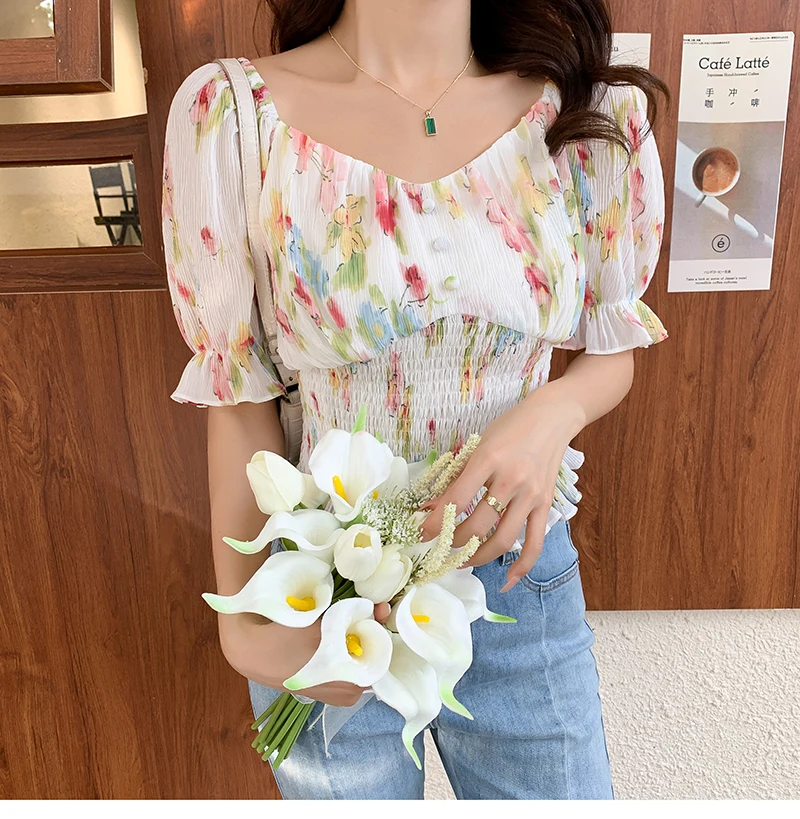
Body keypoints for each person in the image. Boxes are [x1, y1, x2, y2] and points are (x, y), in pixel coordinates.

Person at [161, 0, 670, 800]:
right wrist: (247, 626)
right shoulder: (232, 118)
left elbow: (613, 349)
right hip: (328, 595)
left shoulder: (589, 112)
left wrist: (553, 413)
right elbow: (238, 390)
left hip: (518, 577)